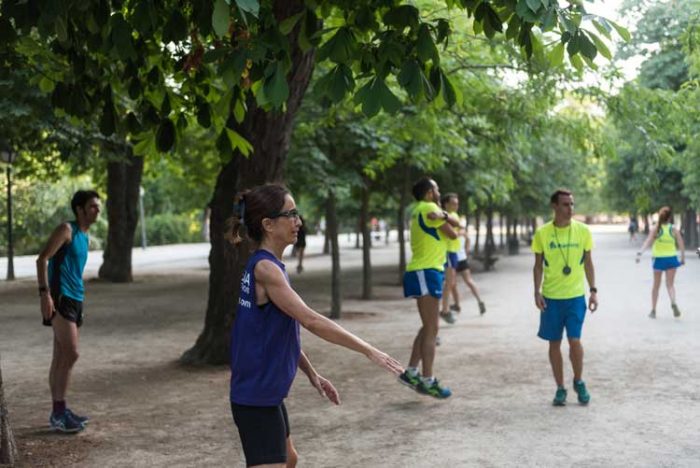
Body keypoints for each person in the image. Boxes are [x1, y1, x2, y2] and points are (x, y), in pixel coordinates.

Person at [227, 184, 403, 467]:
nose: (298, 221)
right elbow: (310, 320)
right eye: (290, 214)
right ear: (268, 225)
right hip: (256, 397)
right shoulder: (265, 269)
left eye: (297, 213)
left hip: (263, 392)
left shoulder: (268, 266)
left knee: (290, 459)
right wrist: (369, 350)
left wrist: (312, 374)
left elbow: (276, 333)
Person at [36, 190, 101, 433]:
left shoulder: (85, 235)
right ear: (79, 209)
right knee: (71, 354)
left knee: (61, 357)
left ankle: (59, 411)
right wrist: (45, 294)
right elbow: (42, 259)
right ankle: (59, 412)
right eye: (93, 206)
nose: (97, 210)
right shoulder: (67, 229)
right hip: (60, 299)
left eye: (98, 206)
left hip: (76, 299)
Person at [532, 189, 598, 406]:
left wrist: (593, 291)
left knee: (575, 341)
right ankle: (560, 387)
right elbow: (538, 265)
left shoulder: (583, 231)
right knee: (554, 343)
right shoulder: (542, 233)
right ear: (554, 206)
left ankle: (578, 380)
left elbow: (588, 262)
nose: (570, 209)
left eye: (572, 204)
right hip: (551, 298)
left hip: (575, 297)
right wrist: (537, 291)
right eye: (565, 205)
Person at [398, 178, 460, 399]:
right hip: (426, 270)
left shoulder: (421, 209)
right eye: (436, 189)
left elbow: (452, 228)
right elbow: (455, 230)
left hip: (424, 270)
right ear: (428, 193)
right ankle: (428, 380)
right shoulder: (429, 207)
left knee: (428, 327)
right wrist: (445, 216)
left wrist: (443, 218)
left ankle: (412, 372)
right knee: (432, 329)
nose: (439, 191)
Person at [635, 206, 685, 318]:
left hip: (659, 260)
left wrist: (640, 253)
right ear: (670, 217)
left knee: (656, 286)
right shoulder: (674, 229)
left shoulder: (656, 229)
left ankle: (653, 310)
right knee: (670, 285)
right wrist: (682, 258)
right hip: (672, 259)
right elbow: (681, 244)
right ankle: (673, 302)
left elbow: (647, 242)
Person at [438, 193, 461, 324]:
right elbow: (453, 233)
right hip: (448, 251)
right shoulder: (443, 216)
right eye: (453, 203)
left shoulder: (455, 216)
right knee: (449, 282)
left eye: (457, 203)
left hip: (454, 251)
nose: (456, 206)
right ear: (446, 204)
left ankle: (446, 308)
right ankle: (445, 309)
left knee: (451, 282)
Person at [451, 226, 486, 315]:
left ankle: (457, 305)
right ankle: (479, 301)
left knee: (452, 284)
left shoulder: (452, 230)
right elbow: (468, 240)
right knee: (469, 281)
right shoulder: (462, 231)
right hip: (462, 258)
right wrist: (466, 251)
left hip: (453, 259)